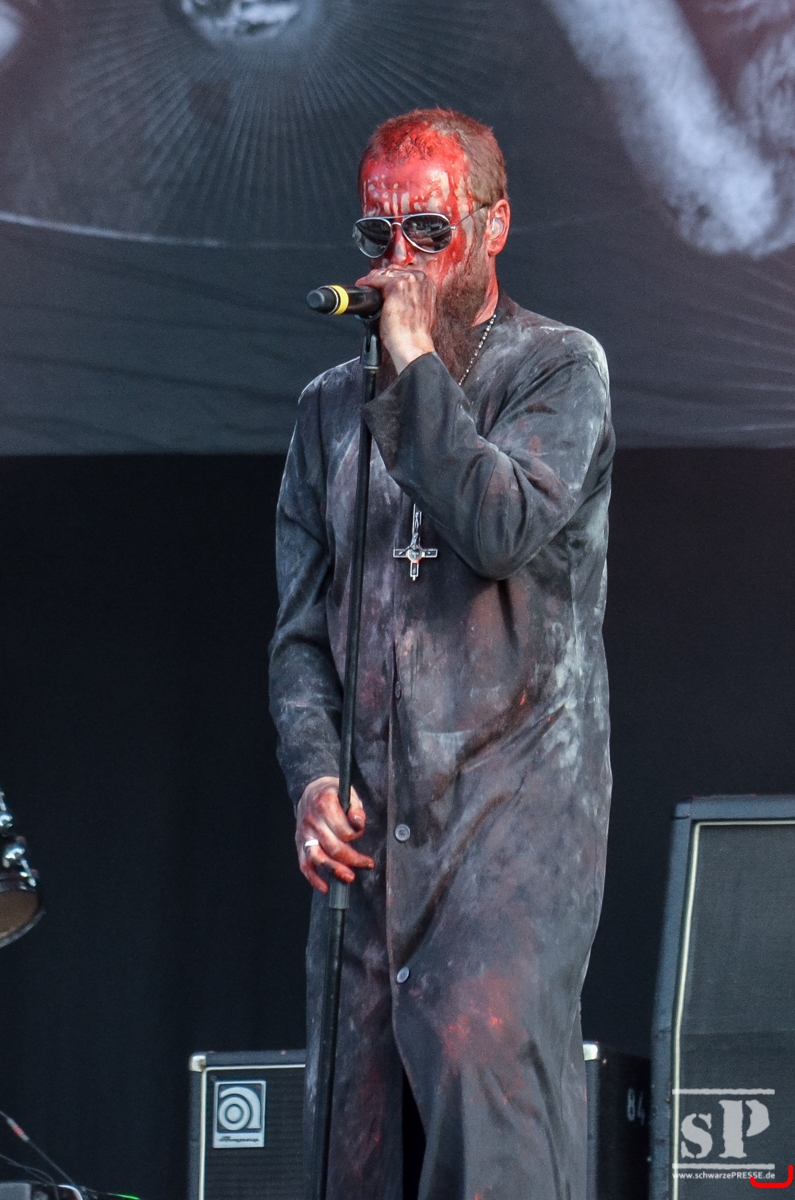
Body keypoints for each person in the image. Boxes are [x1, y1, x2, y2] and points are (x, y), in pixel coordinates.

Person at [269, 107, 614, 1200]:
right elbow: (300, 636)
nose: (400, 260)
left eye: (428, 229)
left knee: (491, 1141)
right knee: (354, 1153)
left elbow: (498, 527)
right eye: (378, 236)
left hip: (506, 835)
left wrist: (414, 361)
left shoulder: (558, 369)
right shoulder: (329, 410)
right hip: (372, 858)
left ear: (493, 225)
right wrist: (313, 775)